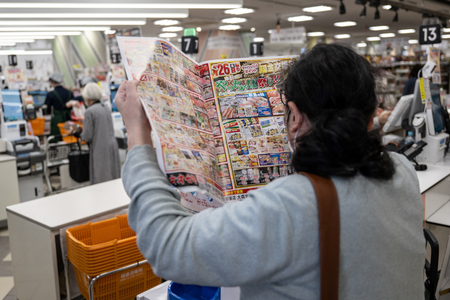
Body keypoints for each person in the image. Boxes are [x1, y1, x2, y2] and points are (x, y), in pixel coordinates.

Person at [116, 44, 424, 299]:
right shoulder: (403, 172)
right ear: (372, 117)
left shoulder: (292, 205)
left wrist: (137, 138)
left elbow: (167, 246)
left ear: (295, 117)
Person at [78, 83, 120, 184]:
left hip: (100, 148)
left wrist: (78, 133)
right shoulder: (105, 107)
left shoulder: (89, 111)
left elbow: (87, 136)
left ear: (87, 97)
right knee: (114, 176)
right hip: (112, 146)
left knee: (101, 179)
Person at [45, 72, 77, 141]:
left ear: (51, 82)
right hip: (68, 118)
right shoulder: (69, 92)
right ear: (61, 81)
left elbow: (48, 109)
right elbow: (71, 107)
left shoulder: (51, 94)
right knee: (70, 138)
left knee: (56, 139)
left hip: (57, 120)